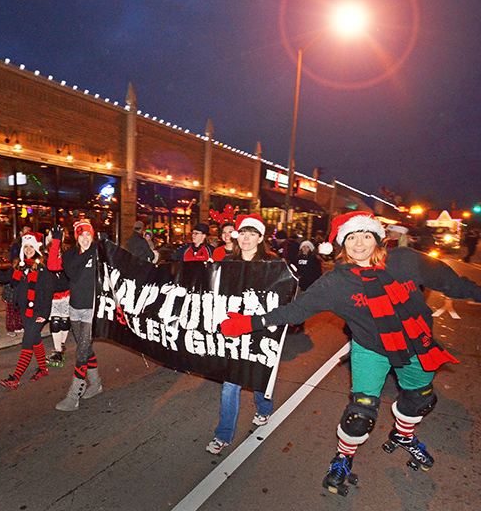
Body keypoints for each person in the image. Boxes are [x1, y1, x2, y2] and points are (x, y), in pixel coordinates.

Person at [220, 211, 481, 495]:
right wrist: (249, 323)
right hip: (371, 348)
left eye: (366, 235)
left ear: (378, 238)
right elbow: (295, 311)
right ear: (343, 244)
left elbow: (451, 283)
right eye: (352, 237)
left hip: (417, 343)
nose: (359, 243)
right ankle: (343, 459)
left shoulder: (406, 260)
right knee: (360, 414)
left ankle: (404, 435)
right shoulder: (336, 283)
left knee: (420, 401)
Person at [206, 214, 276, 455]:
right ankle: (223, 435)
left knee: (257, 376)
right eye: (243, 233)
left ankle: (265, 409)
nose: (246, 238)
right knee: (230, 385)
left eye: (252, 233)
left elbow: (282, 294)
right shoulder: (227, 262)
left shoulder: (272, 264)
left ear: (260, 237)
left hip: (259, 329)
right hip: (234, 329)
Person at [0, 232, 54, 390]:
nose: (28, 249)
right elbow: (1, 277)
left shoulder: (42, 267)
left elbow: (48, 292)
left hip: (38, 312)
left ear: (36, 248)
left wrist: (45, 314)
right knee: (35, 339)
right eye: (25, 246)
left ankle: (15, 378)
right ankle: (43, 368)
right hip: (24, 310)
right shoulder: (19, 267)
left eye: (31, 246)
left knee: (27, 342)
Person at [48, 220, 104, 411]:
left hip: (92, 309)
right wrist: (56, 243)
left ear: (92, 235)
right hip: (75, 307)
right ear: (76, 237)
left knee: (81, 351)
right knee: (85, 347)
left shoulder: (99, 252)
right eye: (81, 235)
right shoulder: (72, 254)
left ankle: (74, 395)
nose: (85, 238)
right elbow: (57, 267)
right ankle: (96, 384)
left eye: (88, 234)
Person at [45, 228, 71, 366]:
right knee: (55, 321)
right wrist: (55, 243)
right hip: (53, 293)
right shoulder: (45, 252)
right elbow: (51, 265)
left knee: (65, 320)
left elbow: (61, 267)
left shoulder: (67, 251)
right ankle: (57, 350)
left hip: (66, 291)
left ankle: (60, 345)